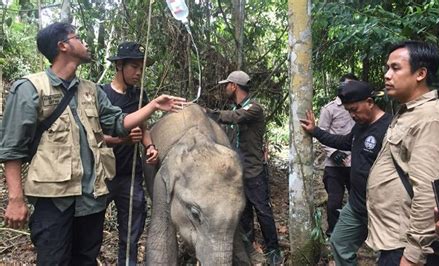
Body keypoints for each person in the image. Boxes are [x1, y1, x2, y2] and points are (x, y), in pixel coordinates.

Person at [0, 22, 185, 265]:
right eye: (78, 37)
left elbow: (119, 123)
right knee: (54, 260)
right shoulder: (29, 88)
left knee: (86, 259)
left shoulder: (91, 90)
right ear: (63, 46)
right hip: (53, 201)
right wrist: (16, 199)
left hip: (91, 200)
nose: (85, 43)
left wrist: (152, 106)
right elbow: (11, 148)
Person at [365, 40, 439, 266]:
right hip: (396, 241)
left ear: (420, 73)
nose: (387, 75)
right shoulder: (410, 112)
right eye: (387, 68)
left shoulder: (430, 119)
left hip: (409, 249)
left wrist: (411, 257)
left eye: (396, 68)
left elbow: (430, 192)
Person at [301, 80, 391, 265]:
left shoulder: (390, 127)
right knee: (339, 242)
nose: (352, 115)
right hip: (357, 205)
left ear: (369, 102)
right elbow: (344, 142)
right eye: (349, 110)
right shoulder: (360, 126)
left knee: (388, 255)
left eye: (355, 109)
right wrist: (315, 131)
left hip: (382, 207)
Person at [207, 70, 282, 265]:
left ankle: (274, 250)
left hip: (254, 170)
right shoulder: (237, 108)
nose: (225, 89)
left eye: (227, 85)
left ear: (234, 86)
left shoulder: (253, 109)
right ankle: (249, 246)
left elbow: (234, 117)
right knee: (244, 211)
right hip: (237, 172)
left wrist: (207, 114)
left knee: (262, 210)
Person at [101, 41, 158, 265]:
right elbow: (91, 136)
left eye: (141, 68)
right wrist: (121, 140)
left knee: (131, 235)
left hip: (130, 176)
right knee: (91, 232)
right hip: (103, 176)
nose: (138, 72)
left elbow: (143, 128)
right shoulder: (101, 95)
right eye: (133, 66)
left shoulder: (139, 96)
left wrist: (150, 146)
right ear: (119, 66)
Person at [317, 73, 356, 237]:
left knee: (358, 200)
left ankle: (355, 231)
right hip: (334, 165)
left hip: (355, 163)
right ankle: (332, 232)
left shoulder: (359, 106)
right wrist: (333, 153)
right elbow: (320, 134)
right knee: (334, 202)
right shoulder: (329, 109)